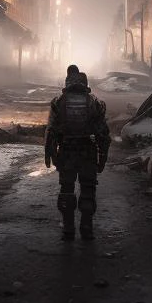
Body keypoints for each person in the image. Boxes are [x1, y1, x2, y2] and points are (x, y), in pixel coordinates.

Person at [44, 66, 111, 240]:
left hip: (66, 152)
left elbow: (51, 131)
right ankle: (87, 228)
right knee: (88, 189)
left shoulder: (59, 102)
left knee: (67, 190)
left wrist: (51, 154)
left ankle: (68, 229)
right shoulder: (94, 103)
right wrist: (103, 157)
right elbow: (103, 133)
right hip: (88, 151)